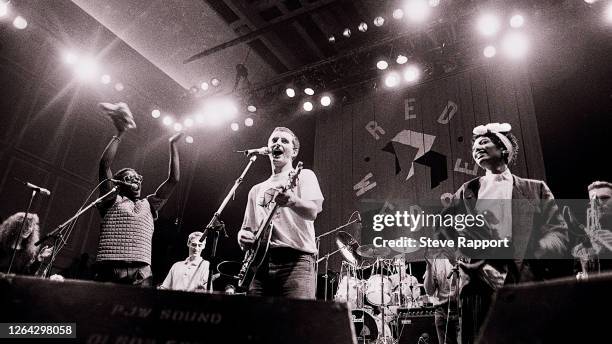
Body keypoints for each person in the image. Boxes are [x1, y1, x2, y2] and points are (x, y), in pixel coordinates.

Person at [438, 122, 568, 343]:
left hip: (524, 284)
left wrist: (525, 254)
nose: (477, 147)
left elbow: (559, 235)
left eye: (484, 142)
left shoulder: (535, 188)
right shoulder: (467, 191)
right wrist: (469, 262)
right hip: (477, 289)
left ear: (504, 148)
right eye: (475, 145)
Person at [94, 102, 182, 287]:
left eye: (138, 178)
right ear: (118, 183)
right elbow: (104, 166)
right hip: (111, 267)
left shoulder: (149, 204)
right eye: (130, 178)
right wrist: (120, 133)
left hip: (141, 271)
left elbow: (173, 180)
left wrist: (172, 144)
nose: (136, 181)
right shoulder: (112, 199)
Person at [237, 127, 324, 299]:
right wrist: (242, 236)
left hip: (296, 261)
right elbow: (248, 228)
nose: (278, 143)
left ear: (294, 151)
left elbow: (313, 211)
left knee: (297, 322)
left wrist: (292, 201)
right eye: (274, 140)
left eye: (284, 141)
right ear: (268, 149)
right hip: (259, 264)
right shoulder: (256, 190)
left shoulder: (303, 175)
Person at [423, 249, 460, 344]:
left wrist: (456, 263)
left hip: (460, 311)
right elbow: (429, 291)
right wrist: (429, 266)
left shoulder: (465, 255)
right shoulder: (437, 259)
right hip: (441, 312)